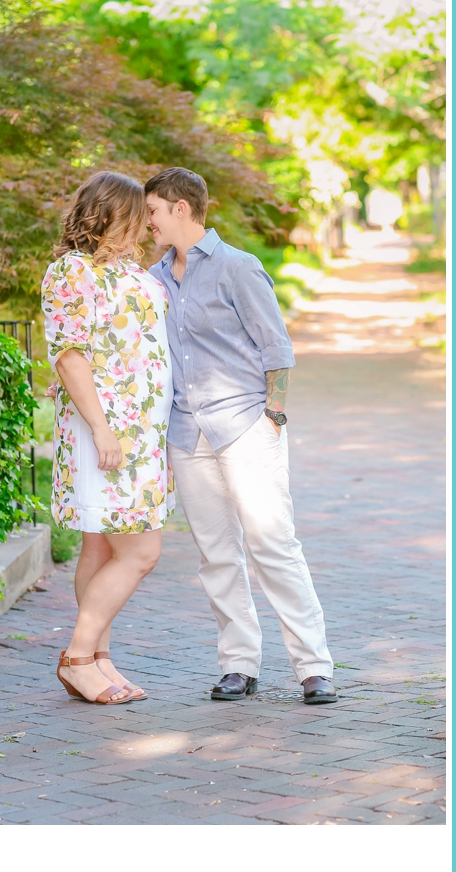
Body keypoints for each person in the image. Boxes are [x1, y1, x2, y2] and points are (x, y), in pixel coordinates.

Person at [145, 167, 337, 704]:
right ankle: (239, 664)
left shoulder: (237, 267)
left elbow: (276, 346)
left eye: (153, 211)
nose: (148, 223)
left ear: (180, 208)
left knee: (273, 544)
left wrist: (273, 412)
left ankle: (314, 667)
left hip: (245, 425)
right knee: (216, 555)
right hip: (188, 432)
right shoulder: (154, 279)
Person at [41, 171, 174, 706]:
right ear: (107, 212)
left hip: (142, 432)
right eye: (135, 213)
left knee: (100, 544)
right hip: (107, 431)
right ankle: (75, 658)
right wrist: (101, 429)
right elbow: (69, 356)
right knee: (142, 550)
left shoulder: (128, 270)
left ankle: (99, 659)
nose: (144, 222)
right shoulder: (70, 272)